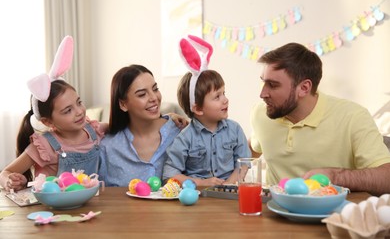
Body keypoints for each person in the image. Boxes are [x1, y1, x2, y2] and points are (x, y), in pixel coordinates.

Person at [249, 42, 390, 196]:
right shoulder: (262, 113)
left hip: (332, 215)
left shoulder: (353, 117)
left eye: (273, 85)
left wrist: (335, 176)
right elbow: (251, 149)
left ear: (304, 88)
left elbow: (386, 178)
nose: (262, 93)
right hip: (273, 212)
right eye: (264, 82)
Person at [0, 36, 105, 192]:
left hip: (93, 208)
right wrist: (10, 180)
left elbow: (123, 125)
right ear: (48, 122)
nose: (79, 111)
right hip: (55, 212)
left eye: (79, 102)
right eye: (67, 110)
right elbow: (5, 173)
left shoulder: (95, 130)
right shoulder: (44, 145)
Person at [163, 35, 251, 187]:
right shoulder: (185, 138)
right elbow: (169, 175)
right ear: (197, 108)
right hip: (198, 197)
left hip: (229, 193)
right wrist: (201, 182)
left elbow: (244, 164)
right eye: (217, 97)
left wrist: (227, 185)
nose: (225, 100)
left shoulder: (235, 130)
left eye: (224, 93)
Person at [98, 64, 188, 187]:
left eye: (155, 89)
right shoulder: (108, 147)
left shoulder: (180, 132)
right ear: (123, 104)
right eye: (142, 94)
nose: (153, 98)